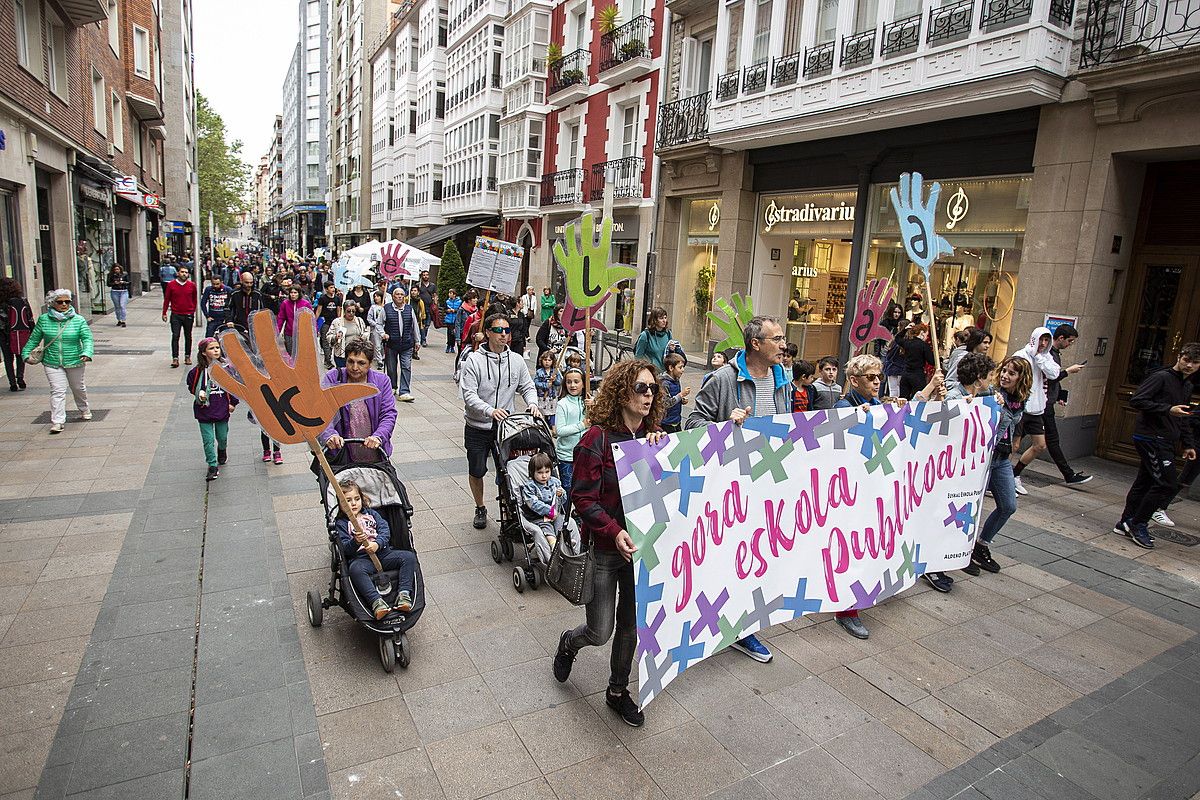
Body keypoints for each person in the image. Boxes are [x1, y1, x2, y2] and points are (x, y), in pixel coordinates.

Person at [552, 358, 668, 728]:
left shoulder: (654, 438)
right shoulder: (596, 438)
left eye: (652, 388)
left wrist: (660, 448)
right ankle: (569, 643)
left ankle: (617, 692)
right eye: (640, 388)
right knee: (600, 631)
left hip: (640, 550)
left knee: (630, 626)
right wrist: (613, 531)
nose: (648, 395)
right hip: (605, 549)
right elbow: (583, 498)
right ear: (621, 392)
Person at [686, 316, 791, 663]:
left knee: (755, 554)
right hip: (729, 485)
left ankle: (741, 624)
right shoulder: (723, 379)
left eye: (783, 338)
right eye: (776, 339)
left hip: (765, 481)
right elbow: (692, 425)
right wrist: (723, 423)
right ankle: (718, 619)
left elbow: (788, 425)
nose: (783, 345)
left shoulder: (782, 379)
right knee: (729, 554)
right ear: (756, 344)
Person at [1113, 342, 1199, 549]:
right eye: (1186, 360)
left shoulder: (1187, 385)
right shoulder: (1161, 377)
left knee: (1145, 481)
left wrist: (1188, 444)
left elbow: (1184, 416)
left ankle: (1126, 521)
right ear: (1179, 357)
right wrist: (1168, 409)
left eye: (1195, 362)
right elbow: (1138, 401)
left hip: (1166, 438)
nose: (1189, 365)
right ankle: (1138, 523)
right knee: (1166, 484)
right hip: (1151, 438)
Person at [460, 312, 539, 530]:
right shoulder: (474, 360)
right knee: (477, 470)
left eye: (507, 331)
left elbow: (527, 386)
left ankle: (509, 512)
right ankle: (480, 506)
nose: (504, 335)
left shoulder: (515, 359)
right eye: (498, 330)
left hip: (506, 428)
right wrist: (489, 410)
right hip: (478, 426)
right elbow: (469, 395)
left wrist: (532, 403)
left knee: (507, 471)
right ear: (487, 333)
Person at [963, 355, 1031, 572]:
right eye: (1004, 371)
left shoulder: (1020, 399)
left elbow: (1016, 422)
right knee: (970, 505)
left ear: (1022, 378)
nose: (1005, 376)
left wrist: (1016, 439)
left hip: (1001, 459)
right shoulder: (990, 394)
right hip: (984, 457)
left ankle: (981, 545)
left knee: (1008, 505)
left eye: (1011, 373)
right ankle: (961, 550)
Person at [334, 480, 417, 620]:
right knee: (355, 570)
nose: (353, 503)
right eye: (347, 500)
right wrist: (355, 541)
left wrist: (377, 544)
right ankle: (376, 602)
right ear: (340, 504)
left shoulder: (372, 514)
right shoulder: (342, 523)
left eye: (356, 499)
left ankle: (404, 594)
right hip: (362, 559)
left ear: (362, 499)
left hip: (384, 553)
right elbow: (345, 548)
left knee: (408, 557)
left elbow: (385, 531)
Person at [22, 289, 93, 434]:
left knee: (77, 387)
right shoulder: (44, 320)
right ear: (52, 303)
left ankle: (84, 408)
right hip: (51, 361)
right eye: (60, 302)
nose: (64, 304)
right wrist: (25, 354)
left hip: (75, 360)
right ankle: (58, 421)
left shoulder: (78, 320)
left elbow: (87, 338)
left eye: (67, 301)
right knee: (57, 391)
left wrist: (87, 352)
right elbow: (34, 339)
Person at [319, 340, 399, 463]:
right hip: (342, 455)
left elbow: (388, 414)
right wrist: (329, 435)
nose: (354, 368)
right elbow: (323, 412)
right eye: (350, 362)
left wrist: (378, 436)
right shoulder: (333, 378)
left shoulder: (382, 381)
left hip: (375, 452)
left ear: (370, 363)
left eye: (361, 363)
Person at [1010, 326, 1062, 496]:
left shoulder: (1045, 357)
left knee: (1039, 445)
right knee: (1013, 445)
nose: (1044, 343)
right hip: (1021, 406)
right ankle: (999, 479)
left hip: (1037, 409)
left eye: (1047, 340)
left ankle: (1015, 474)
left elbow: (1054, 373)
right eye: (1042, 340)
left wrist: (1040, 358)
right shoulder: (1021, 355)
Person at [1038, 324, 1092, 486]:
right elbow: (1052, 377)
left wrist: (1060, 395)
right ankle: (1068, 474)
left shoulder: (1054, 354)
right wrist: (1068, 371)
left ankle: (1014, 472)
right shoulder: (1049, 355)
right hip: (1043, 403)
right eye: (1070, 341)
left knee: (1042, 441)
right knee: (1048, 441)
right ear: (1060, 338)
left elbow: (1053, 380)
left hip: (1046, 402)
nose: (1070, 344)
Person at [187, 337, 238, 481]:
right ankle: (212, 465)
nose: (216, 350)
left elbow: (234, 387)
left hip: (222, 409)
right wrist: (199, 394)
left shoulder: (226, 369)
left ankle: (222, 450)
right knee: (208, 440)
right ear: (203, 353)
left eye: (217, 348)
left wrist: (233, 403)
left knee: (222, 437)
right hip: (204, 410)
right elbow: (191, 386)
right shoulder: (196, 372)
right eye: (211, 348)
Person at [521, 452, 566, 565]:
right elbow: (533, 503)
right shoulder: (530, 486)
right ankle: (553, 545)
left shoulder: (554, 482)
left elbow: (562, 500)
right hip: (538, 516)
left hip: (555, 514)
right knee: (546, 527)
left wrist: (561, 495)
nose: (544, 476)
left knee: (561, 522)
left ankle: (564, 541)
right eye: (540, 473)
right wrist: (549, 511)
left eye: (547, 472)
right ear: (532, 473)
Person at [554, 367, 588, 504]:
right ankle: (565, 516)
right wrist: (581, 425)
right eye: (569, 382)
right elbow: (560, 430)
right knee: (567, 489)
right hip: (567, 456)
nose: (572, 385)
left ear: (583, 383)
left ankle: (579, 515)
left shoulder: (587, 402)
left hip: (584, 454)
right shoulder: (562, 404)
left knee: (583, 490)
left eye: (576, 381)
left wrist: (595, 406)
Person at [382, 287, 420, 401]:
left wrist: (417, 340)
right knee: (392, 367)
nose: (399, 296)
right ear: (393, 297)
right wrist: (383, 333)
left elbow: (415, 325)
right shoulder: (386, 308)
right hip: (391, 343)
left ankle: (404, 391)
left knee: (406, 366)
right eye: (397, 294)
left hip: (407, 343)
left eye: (402, 294)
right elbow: (379, 324)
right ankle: (392, 386)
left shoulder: (409, 309)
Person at [0, 278, 33, 392]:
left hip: (4, 334)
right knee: (20, 355)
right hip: (20, 332)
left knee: (8, 358)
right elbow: (29, 317)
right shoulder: (22, 300)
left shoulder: (1, 302)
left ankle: (12, 383)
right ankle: (20, 378)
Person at [162, 266, 197, 369]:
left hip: (188, 314)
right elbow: (167, 299)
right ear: (178, 273)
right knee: (175, 336)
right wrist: (164, 313)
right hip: (176, 314)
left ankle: (187, 356)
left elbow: (194, 298)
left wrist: (192, 310)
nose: (184, 274)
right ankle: (175, 358)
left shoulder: (192, 285)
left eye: (186, 272)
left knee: (188, 336)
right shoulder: (171, 285)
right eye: (182, 272)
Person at [943, 328, 991, 397]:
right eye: (985, 342)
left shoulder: (984, 361)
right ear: (976, 342)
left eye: (989, 343)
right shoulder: (963, 358)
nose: (987, 346)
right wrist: (966, 386)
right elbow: (949, 381)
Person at [896, 324, 936, 399]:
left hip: (905, 374)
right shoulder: (924, 345)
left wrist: (905, 329)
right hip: (917, 375)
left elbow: (897, 338)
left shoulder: (907, 342)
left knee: (903, 399)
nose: (926, 337)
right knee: (918, 400)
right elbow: (931, 361)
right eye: (926, 335)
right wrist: (939, 359)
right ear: (922, 333)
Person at [634, 307, 678, 374]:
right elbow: (638, 357)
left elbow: (670, 355)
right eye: (661, 318)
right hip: (652, 373)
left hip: (666, 373)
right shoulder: (645, 335)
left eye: (665, 318)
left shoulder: (668, 333)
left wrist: (672, 349)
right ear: (654, 320)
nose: (664, 321)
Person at [329, 302, 368, 368]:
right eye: (349, 311)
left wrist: (363, 338)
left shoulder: (359, 321)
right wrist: (335, 337)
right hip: (341, 355)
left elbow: (365, 332)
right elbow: (329, 336)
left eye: (353, 311)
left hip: (356, 354)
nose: (351, 313)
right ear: (344, 311)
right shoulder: (337, 322)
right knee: (342, 375)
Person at [276, 286, 313, 354]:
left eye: (295, 293)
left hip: (302, 333)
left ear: (299, 293)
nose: (293, 295)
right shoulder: (285, 303)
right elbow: (281, 318)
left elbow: (311, 319)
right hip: (289, 332)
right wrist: (277, 331)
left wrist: (313, 332)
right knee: (290, 353)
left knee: (301, 353)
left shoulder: (305, 304)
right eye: (291, 293)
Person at [226, 271, 265, 337]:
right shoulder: (234, 293)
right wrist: (229, 320)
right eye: (246, 282)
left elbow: (262, 309)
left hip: (254, 326)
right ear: (241, 281)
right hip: (238, 326)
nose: (249, 285)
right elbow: (227, 307)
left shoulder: (258, 294)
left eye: (251, 283)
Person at [660, 352, 690, 434]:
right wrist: (681, 395)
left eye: (683, 367)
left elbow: (674, 397)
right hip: (666, 422)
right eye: (680, 367)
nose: (683, 370)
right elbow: (666, 403)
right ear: (671, 368)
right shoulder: (664, 383)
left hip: (676, 420)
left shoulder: (676, 380)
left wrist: (682, 400)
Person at [315, 284, 343, 369]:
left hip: (334, 323)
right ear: (326, 289)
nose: (333, 289)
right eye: (331, 288)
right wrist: (314, 321)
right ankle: (328, 360)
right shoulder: (322, 298)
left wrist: (339, 322)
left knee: (333, 342)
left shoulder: (337, 299)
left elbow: (338, 310)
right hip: (325, 322)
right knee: (325, 341)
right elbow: (319, 310)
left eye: (333, 287)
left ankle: (328, 358)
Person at [535, 350, 562, 426]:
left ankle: (552, 425)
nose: (547, 362)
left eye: (549, 360)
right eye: (545, 360)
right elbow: (536, 383)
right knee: (542, 411)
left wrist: (555, 380)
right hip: (542, 396)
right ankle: (542, 424)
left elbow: (559, 382)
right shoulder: (539, 372)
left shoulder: (555, 372)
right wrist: (545, 385)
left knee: (552, 411)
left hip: (552, 396)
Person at [366, 291, 387, 368]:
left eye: (378, 296)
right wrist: (376, 324)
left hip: (385, 329)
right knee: (377, 345)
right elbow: (369, 318)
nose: (376, 298)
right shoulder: (373, 307)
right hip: (375, 329)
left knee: (383, 345)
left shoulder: (385, 307)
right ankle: (379, 361)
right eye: (375, 296)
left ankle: (383, 357)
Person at [416, 270, 436, 347]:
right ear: (421, 276)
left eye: (427, 275)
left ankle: (423, 337)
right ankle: (423, 340)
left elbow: (434, 295)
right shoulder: (419, 285)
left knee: (427, 325)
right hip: (421, 308)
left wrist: (435, 303)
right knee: (422, 324)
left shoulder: (432, 285)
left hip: (429, 307)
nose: (425, 276)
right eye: (424, 275)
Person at [407, 286, 426, 360]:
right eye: (412, 290)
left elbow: (423, 312)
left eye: (415, 291)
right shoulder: (407, 299)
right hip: (408, 321)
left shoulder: (420, 302)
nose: (413, 292)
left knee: (416, 337)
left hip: (417, 322)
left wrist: (422, 322)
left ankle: (415, 352)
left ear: (418, 292)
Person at [443, 289, 462, 353]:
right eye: (449, 293)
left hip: (455, 320)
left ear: (454, 294)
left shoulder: (459, 302)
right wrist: (447, 311)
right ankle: (448, 345)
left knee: (453, 333)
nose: (449, 294)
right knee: (449, 333)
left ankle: (452, 346)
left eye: (451, 293)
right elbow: (445, 309)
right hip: (449, 319)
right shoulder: (447, 301)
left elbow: (460, 310)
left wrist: (455, 311)